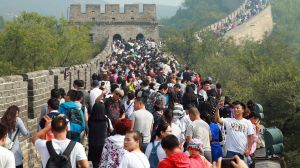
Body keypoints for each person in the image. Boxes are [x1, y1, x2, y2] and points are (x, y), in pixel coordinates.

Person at [88, 102, 110, 168]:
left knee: (95, 163)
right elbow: (110, 129)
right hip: (103, 144)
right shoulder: (106, 120)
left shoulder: (91, 120)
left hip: (93, 144)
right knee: (102, 163)